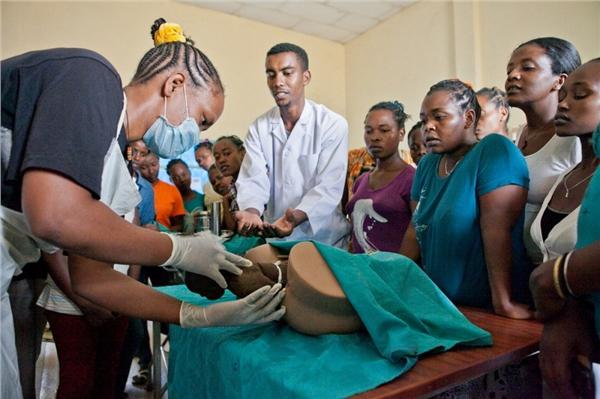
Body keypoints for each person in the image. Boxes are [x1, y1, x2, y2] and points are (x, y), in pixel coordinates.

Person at [0, 18, 284, 398]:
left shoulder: (115, 168)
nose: (195, 135)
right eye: (202, 120)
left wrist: (196, 316)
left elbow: (92, 278)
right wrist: (179, 250)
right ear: (175, 85)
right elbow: (53, 216)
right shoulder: (90, 75)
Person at [400, 79, 532, 319]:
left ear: (469, 119)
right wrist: (393, 282)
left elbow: (497, 231)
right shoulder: (427, 165)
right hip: (440, 304)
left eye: (439, 117)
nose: (427, 127)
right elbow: (415, 231)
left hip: (484, 308)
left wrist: (503, 302)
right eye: (423, 120)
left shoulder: (494, 151)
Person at [529, 60, 600, 399]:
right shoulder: (564, 178)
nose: (564, 103)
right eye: (564, 94)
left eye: (581, 95)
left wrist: (554, 279)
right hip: (559, 334)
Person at [235, 42, 350, 245]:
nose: (278, 82)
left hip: (325, 238)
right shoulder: (259, 128)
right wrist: (252, 212)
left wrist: (295, 217)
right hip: (276, 238)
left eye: (287, 73)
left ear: (306, 77)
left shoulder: (332, 124)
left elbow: (329, 186)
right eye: (271, 74)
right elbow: (253, 179)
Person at [505, 37, 582, 265]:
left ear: (559, 81)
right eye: (509, 69)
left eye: (527, 68)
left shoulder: (573, 140)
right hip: (523, 267)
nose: (513, 75)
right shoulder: (520, 134)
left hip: (559, 269)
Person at [346, 101, 415, 254]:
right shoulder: (361, 181)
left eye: (384, 130)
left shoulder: (411, 179)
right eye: (369, 131)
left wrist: (398, 272)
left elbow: (419, 232)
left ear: (401, 133)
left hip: (393, 273)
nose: (375, 137)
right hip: (360, 270)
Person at [139, 152, 185, 232]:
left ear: (159, 162)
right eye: (144, 167)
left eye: (154, 165)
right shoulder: (135, 189)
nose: (151, 171)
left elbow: (180, 225)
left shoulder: (171, 190)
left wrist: (164, 231)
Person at [213, 135, 246, 232]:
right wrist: (225, 201)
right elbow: (232, 228)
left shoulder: (256, 180)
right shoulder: (232, 186)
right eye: (217, 157)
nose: (221, 160)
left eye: (227, 153)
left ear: (242, 153)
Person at [167, 158, 205, 232]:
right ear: (171, 180)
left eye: (184, 174)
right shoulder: (170, 203)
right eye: (176, 178)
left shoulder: (203, 199)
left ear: (190, 173)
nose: (182, 179)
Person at [194, 139, 222, 206]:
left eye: (204, 157)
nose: (201, 163)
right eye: (198, 161)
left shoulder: (230, 177)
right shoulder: (206, 187)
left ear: (214, 154)